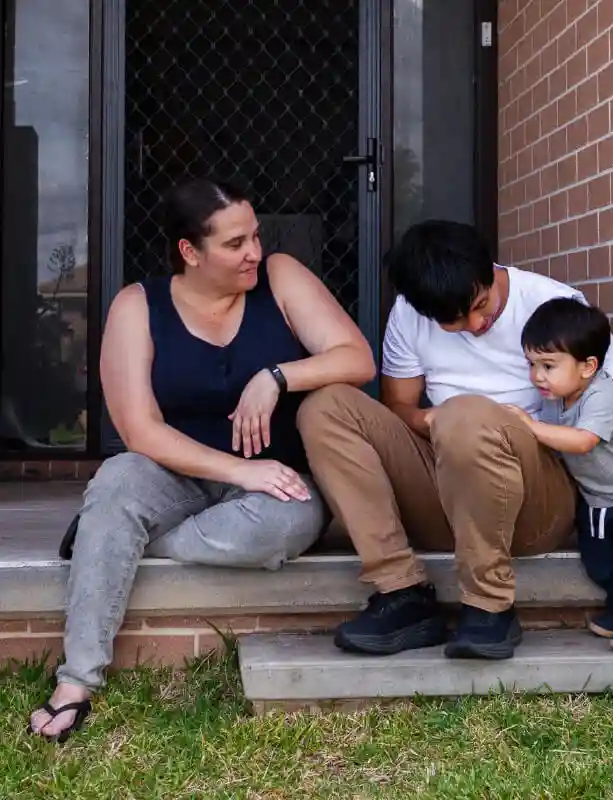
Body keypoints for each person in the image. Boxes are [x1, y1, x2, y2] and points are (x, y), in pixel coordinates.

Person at [28, 178, 376, 742]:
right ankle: (75, 684)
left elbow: (356, 358)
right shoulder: (137, 306)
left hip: (274, 481)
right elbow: (138, 427)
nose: (255, 253)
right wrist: (238, 468)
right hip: (174, 469)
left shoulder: (281, 278)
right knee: (118, 481)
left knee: (290, 522)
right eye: (236, 244)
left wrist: (277, 376)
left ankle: (110, 538)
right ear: (191, 252)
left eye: (256, 236)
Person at [298, 220, 613, 661]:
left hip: (534, 504)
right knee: (326, 407)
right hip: (447, 487)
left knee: (469, 413)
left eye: (481, 306)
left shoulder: (554, 304)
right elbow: (398, 410)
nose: (477, 325)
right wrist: (432, 419)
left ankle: (488, 606)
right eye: (455, 323)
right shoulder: (409, 313)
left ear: (489, 268)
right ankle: (400, 592)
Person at [506, 297, 613, 653]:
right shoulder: (556, 397)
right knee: (602, 562)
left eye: (548, 365)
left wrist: (529, 426)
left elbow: (583, 441)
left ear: (588, 366)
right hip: (595, 499)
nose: (537, 375)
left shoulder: (603, 395)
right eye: (532, 364)